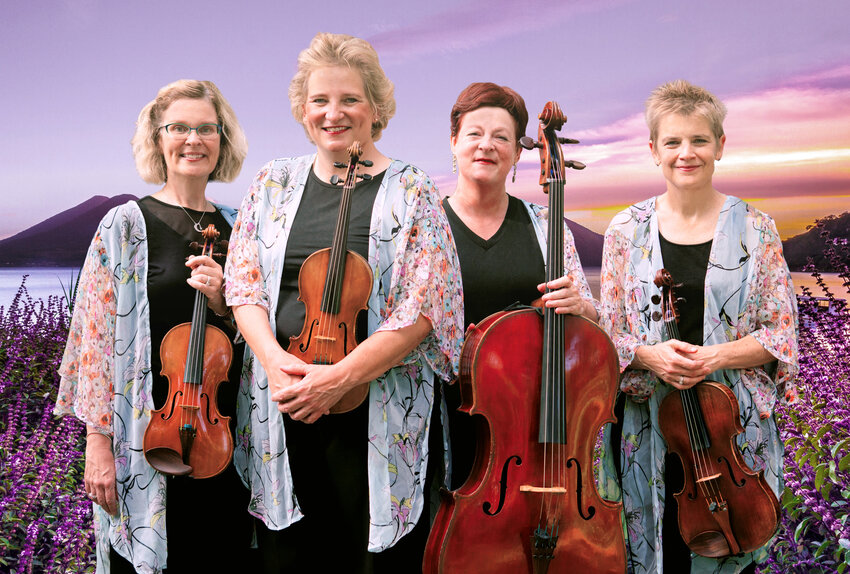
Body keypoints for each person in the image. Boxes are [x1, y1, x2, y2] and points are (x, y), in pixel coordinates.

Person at [222, 33, 463, 573]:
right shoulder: (272, 181)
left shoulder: (412, 188)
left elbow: (425, 307)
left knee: (368, 554)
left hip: (375, 409)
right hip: (281, 401)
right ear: (303, 111)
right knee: (292, 555)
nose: (334, 113)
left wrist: (339, 379)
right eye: (320, 101)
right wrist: (273, 362)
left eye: (350, 99)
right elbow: (243, 284)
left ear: (376, 108)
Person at [597, 80, 798, 573]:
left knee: (737, 548)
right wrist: (650, 355)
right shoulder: (625, 230)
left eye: (699, 140)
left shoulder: (756, 227)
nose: (686, 153)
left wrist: (715, 357)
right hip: (651, 426)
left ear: (720, 146)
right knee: (658, 544)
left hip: (733, 432)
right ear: (653, 151)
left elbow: (779, 333)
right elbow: (610, 336)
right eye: (672, 142)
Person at [55, 80, 254, 573]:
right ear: (157, 138)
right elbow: (94, 343)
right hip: (143, 437)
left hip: (225, 436)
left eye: (206, 128)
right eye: (179, 127)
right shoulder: (125, 225)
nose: (193, 139)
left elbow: (265, 331)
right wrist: (97, 444)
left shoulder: (244, 225)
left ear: (222, 140)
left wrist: (225, 303)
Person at [440, 82, 600, 489]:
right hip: (442, 414)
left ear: (516, 152)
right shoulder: (428, 225)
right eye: (474, 134)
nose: (486, 146)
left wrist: (580, 307)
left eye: (501, 137)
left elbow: (593, 319)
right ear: (454, 142)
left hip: (531, 416)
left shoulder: (547, 225)